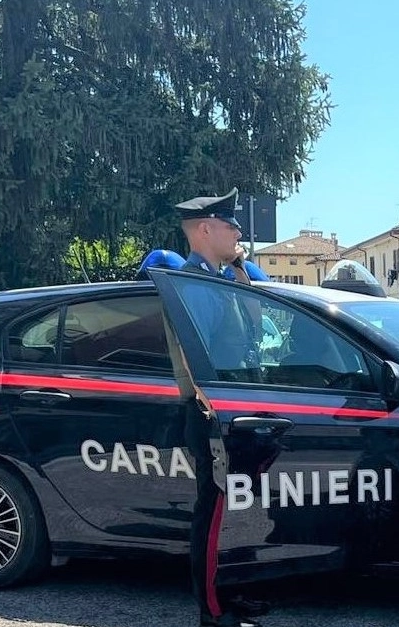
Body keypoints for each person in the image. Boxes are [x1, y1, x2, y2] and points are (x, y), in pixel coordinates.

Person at [172, 191, 270, 627]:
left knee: (238, 513)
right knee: (212, 517)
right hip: (214, 415)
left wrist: (239, 269)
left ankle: (236, 590)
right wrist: (211, 408)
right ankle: (211, 610)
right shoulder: (190, 284)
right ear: (206, 229)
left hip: (236, 411)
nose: (239, 232)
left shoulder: (222, 278)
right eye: (231, 225)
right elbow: (189, 355)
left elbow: (255, 320)